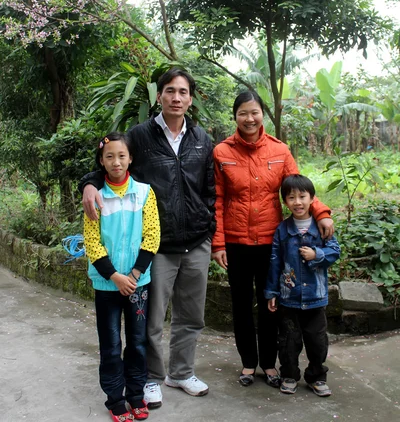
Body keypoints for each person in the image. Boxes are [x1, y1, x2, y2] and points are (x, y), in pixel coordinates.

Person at [80, 69, 215, 409]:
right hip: (159, 245)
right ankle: (151, 378)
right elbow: (112, 158)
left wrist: (208, 224)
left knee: (191, 315)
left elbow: (211, 189)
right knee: (151, 319)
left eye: (183, 91)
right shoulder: (139, 135)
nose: (176, 98)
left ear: (191, 97)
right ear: (159, 96)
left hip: (196, 240)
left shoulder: (201, 138)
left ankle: (181, 373)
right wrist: (89, 184)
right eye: (170, 91)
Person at [212, 91, 334, 388]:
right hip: (236, 243)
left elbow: (298, 187)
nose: (249, 118)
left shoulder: (280, 151)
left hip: (272, 242)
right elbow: (216, 199)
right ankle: (247, 363)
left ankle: (268, 364)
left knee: (271, 303)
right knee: (240, 304)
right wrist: (217, 243)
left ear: (262, 114)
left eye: (254, 112)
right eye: (243, 113)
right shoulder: (221, 152)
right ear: (235, 116)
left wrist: (322, 214)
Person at [83, 132, 160, 422]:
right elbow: (92, 241)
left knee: (138, 343)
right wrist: (115, 276)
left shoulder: (144, 193)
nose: (117, 162)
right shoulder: (95, 196)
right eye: (110, 156)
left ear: (131, 158)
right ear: (101, 161)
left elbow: (152, 236)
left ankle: (136, 396)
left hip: (138, 283)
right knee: (111, 344)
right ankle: (115, 398)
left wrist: (135, 274)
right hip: (107, 284)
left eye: (122, 156)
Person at [265, 174, 340, 397]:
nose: (297, 202)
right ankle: (289, 375)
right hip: (289, 298)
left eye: (302, 196)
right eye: (291, 197)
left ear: (312, 198)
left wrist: (316, 254)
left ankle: (317, 377)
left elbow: (335, 252)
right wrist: (272, 292)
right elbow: (275, 262)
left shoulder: (321, 228)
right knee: (288, 342)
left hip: (315, 298)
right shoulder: (283, 230)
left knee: (317, 343)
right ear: (285, 202)